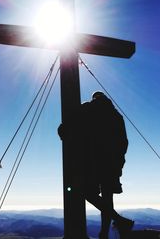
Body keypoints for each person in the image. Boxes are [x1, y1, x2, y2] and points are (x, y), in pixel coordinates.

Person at [58, 91, 134, 239]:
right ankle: (104, 234)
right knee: (107, 197)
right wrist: (119, 163)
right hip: (111, 165)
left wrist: (70, 143)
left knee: (88, 193)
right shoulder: (117, 116)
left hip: (91, 163)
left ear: (94, 99)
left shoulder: (86, 109)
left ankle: (119, 220)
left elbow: (63, 128)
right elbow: (123, 143)